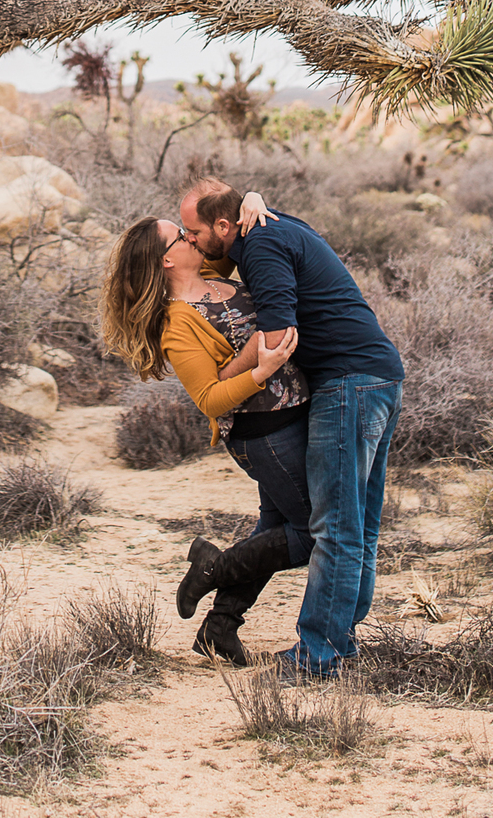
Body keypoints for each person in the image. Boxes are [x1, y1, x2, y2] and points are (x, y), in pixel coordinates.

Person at [177, 177, 405, 680]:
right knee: (359, 526)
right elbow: (201, 261)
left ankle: (318, 655)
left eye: (193, 230)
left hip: (348, 384)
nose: (189, 240)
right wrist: (252, 196)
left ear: (222, 224)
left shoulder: (258, 246)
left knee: (333, 527)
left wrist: (223, 380)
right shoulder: (268, 226)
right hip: (376, 376)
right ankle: (338, 643)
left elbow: (278, 337)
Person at [98, 215, 310, 664]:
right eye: (180, 234)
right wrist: (261, 371)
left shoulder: (214, 277)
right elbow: (210, 399)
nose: (191, 236)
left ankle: (219, 628)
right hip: (263, 433)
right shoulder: (177, 323)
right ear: (168, 258)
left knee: (274, 530)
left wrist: (251, 201)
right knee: (312, 531)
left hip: (292, 415)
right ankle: (214, 567)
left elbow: (236, 233)